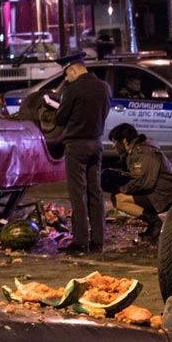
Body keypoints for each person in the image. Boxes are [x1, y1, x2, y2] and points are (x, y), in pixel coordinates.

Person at [54, 53, 111, 255]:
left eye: (67, 75)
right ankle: (98, 241)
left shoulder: (73, 89)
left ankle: (80, 242)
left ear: (74, 70)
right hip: (96, 144)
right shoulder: (104, 87)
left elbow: (60, 118)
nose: (67, 80)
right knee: (96, 193)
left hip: (76, 145)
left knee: (78, 194)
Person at [108, 123, 172, 241]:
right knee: (118, 195)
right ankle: (153, 223)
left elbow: (143, 183)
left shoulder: (143, 152)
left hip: (165, 195)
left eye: (115, 142)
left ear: (124, 141)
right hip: (163, 191)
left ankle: (154, 223)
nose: (114, 146)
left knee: (119, 199)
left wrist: (121, 189)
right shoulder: (134, 151)